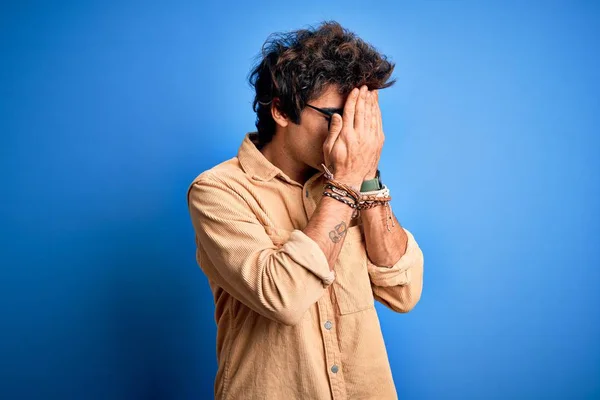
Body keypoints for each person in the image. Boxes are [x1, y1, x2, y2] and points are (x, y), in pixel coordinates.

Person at [186, 20, 424, 400]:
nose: (348, 133)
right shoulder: (217, 191)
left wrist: (367, 178)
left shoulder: (345, 178)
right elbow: (283, 296)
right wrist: (346, 184)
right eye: (334, 117)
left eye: (357, 116)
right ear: (281, 110)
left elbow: (404, 291)